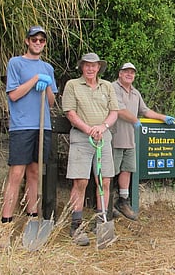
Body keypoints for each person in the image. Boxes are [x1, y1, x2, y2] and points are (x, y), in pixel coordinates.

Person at [0, 26, 58, 249]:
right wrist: (34, 80)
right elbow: (13, 95)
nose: (38, 42)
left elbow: (51, 102)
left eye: (42, 40)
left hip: (43, 126)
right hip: (22, 127)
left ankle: (33, 219)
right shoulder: (16, 63)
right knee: (17, 173)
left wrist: (47, 84)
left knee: (35, 172)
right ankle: (5, 226)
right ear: (27, 41)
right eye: (34, 39)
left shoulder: (48, 68)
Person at [62, 53, 118, 246]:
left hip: (104, 138)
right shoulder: (73, 85)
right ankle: (76, 225)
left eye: (94, 66)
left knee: (105, 180)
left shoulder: (107, 86)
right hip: (81, 138)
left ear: (99, 68)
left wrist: (103, 127)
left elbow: (114, 112)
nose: (90, 69)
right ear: (82, 67)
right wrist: (88, 129)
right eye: (87, 65)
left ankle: (101, 222)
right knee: (81, 181)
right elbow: (70, 113)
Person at [111, 62, 175, 220]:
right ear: (120, 73)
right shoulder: (112, 88)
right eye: (126, 71)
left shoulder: (135, 93)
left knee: (126, 170)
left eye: (132, 72)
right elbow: (119, 110)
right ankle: (105, 206)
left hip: (130, 139)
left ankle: (122, 202)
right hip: (114, 137)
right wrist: (134, 120)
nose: (129, 74)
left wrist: (163, 117)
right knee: (109, 173)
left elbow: (145, 111)